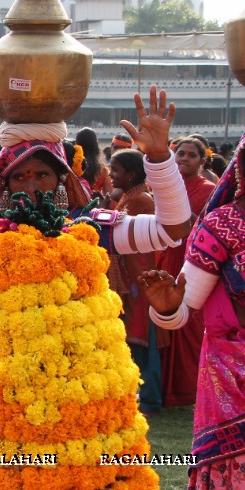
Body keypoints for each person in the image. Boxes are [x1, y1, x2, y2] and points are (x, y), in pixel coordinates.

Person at [0, 87, 193, 327]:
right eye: (19, 177)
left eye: (42, 175)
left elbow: (172, 229)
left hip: (72, 372)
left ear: (60, 178)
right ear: (4, 183)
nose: (30, 187)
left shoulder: (85, 225)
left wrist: (159, 159)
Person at [140, 114, 245, 490]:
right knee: (238, 488)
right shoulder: (224, 225)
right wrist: (166, 305)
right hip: (234, 382)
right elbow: (181, 310)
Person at [155, 136, 217, 409]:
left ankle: (184, 391)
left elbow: (209, 228)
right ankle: (159, 389)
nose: (184, 159)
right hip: (164, 256)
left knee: (189, 322)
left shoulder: (209, 190)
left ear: (202, 161)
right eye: (180, 154)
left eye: (191, 155)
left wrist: (184, 220)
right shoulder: (167, 186)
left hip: (192, 261)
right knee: (161, 317)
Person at [107, 149, 160, 414]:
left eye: (115, 170)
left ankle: (150, 398)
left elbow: (125, 237)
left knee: (141, 335)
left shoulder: (140, 200)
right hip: (133, 275)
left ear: (131, 174)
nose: (110, 174)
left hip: (139, 276)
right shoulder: (130, 196)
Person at [76, 127, 113, 198]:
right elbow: (109, 196)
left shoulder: (71, 166)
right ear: (96, 145)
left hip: (73, 207)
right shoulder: (102, 170)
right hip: (94, 206)